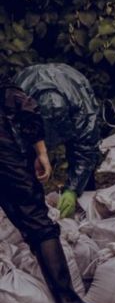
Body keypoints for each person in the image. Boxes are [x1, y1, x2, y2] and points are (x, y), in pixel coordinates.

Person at [0, 76, 96, 303]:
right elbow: (27, 108)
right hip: (8, 163)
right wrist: (41, 152)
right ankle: (68, 300)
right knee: (39, 226)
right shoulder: (7, 90)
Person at [13, 64, 101, 219]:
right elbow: (15, 143)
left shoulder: (81, 109)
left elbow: (85, 149)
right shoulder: (18, 102)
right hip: (28, 95)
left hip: (73, 82)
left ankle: (84, 198)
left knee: (84, 156)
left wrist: (73, 189)